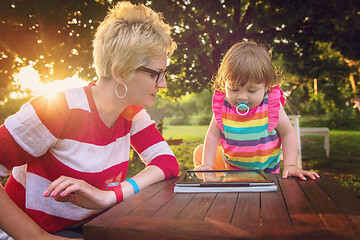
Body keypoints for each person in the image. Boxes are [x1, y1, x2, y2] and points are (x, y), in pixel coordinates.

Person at [0, 1, 179, 239]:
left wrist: (111, 195)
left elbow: (167, 162)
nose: (163, 84)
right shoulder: (58, 109)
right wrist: (36, 237)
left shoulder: (132, 113)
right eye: (156, 74)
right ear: (121, 72)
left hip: (90, 229)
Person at [193, 41, 319, 180]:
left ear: (266, 87)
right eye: (234, 89)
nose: (242, 96)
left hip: (267, 175)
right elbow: (212, 135)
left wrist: (291, 165)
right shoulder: (223, 107)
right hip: (234, 174)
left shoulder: (271, 106)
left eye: (252, 90)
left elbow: (288, 134)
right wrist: (207, 164)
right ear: (224, 84)